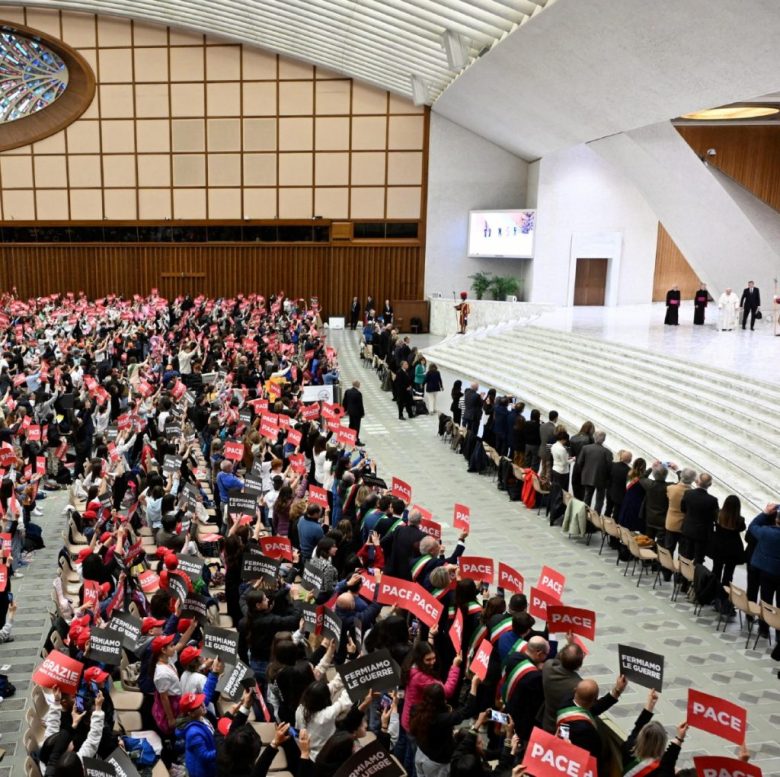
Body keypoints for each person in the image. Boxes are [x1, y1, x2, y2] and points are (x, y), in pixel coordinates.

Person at [621, 689, 686, 777]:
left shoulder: (628, 748)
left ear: (640, 736)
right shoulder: (661, 771)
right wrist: (679, 738)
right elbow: (669, 762)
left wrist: (649, 705)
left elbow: (637, 729)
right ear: (662, 743)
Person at [747, 503, 780, 646]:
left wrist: (765, 512)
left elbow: (753, 525)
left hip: (765, 571)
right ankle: (779, 634)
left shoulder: (766, 532)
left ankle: (764, 628)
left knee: (766, 600)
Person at [680, 472, 718, 565]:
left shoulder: (688, 493)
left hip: (688, 529)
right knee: (699, 558)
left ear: (697, 481)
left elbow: (683, 509)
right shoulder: (712, 500)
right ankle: (696, 577)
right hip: (702, 534)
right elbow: (714, 517)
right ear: (710, 485)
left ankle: (683, 578)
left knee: (686, 555)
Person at [709, 494, 746, 588]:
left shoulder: (717, 514)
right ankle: (724, 594)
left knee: (716, 569)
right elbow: (742, 528)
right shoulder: (740, 520)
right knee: (729, 573)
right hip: (733, 549)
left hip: (718, 545)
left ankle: (713, 590)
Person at [577, 431, 613, 514]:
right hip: (602, 479)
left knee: (587, 496)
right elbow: (609, 467)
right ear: (604, 440)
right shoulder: (607, 452)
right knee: (599, 500)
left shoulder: (585, 448)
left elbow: (579, 463)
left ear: (594, 437)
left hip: (588, 476)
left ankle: (584, 514)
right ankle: (595, 518)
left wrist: (585, 471)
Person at [341, 380, 365, 445]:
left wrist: (344, 410)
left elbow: (344, 402)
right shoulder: (358, 393)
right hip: (357, 413)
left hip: (350, 412)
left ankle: (349, 438)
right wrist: (362, 413)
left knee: (351, 425)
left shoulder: (347, 391)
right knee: (356, 427)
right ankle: (356, 441)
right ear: (357, 385)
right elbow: (360, 404)